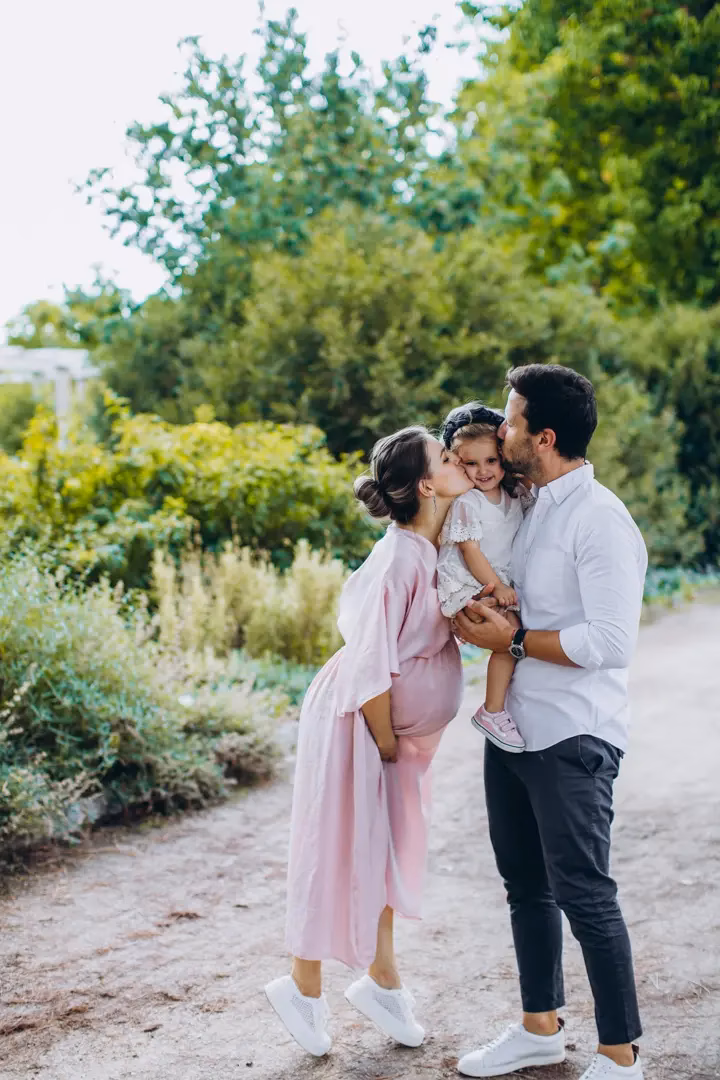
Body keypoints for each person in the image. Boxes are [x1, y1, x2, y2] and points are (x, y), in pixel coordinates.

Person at [454, 365, 648, 1080]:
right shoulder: (526, 505)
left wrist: (506, 640)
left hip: (574, 734)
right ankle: (540, 1027)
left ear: (545, 437)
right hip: (513, 731)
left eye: (508, 423)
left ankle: (621, 1057)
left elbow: (608, 642)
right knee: (524, 886)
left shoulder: (600, 519)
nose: (498, 433)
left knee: (584, 893)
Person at [265, 426, 472, 1058]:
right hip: (359, 722)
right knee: (337, 844)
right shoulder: (400, 557)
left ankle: (382, 978)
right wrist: (383, 738)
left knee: (385, 850)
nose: (456, 458)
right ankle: (301, 985)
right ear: (424, 484)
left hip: (394, 737)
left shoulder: (434, 549)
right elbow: (369, 662)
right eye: (444, 455)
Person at [437, 402, 533, 753]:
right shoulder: (469, 503)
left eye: (491, 460)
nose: (483, 471)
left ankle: (502, 703)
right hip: (469, 583)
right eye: (471, 463)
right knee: (510, 636)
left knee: (515, 632)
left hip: (491, 582)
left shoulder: (511, 497)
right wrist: (500, 586)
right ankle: (492, 710)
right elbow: (470, 551)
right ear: (459, 463)